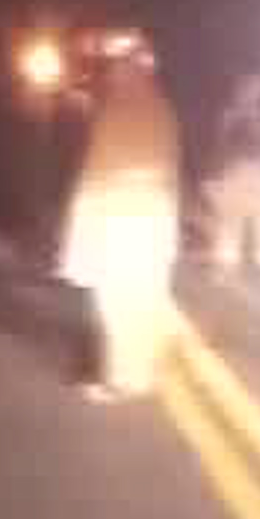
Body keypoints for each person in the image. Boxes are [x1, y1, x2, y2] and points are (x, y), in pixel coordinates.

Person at [55, 36, 181, 398]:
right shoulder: (162, 110)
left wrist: (77, 233)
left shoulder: (114, 113)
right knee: (142, 295)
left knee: (116, 299)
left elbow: (95, 175)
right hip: (154, 214)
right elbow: (171, 170)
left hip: (118, 216)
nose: (112, 76)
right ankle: (137, 373)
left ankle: (121, 378)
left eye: (116, 70)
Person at [204, 71, 260, 279]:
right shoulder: (231, 116)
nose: (248, 94)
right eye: (246, 89)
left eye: (253, 90)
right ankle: (227, 267)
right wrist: (214, 175)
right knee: (231, 221)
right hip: (237, 170)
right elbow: (220, 146)